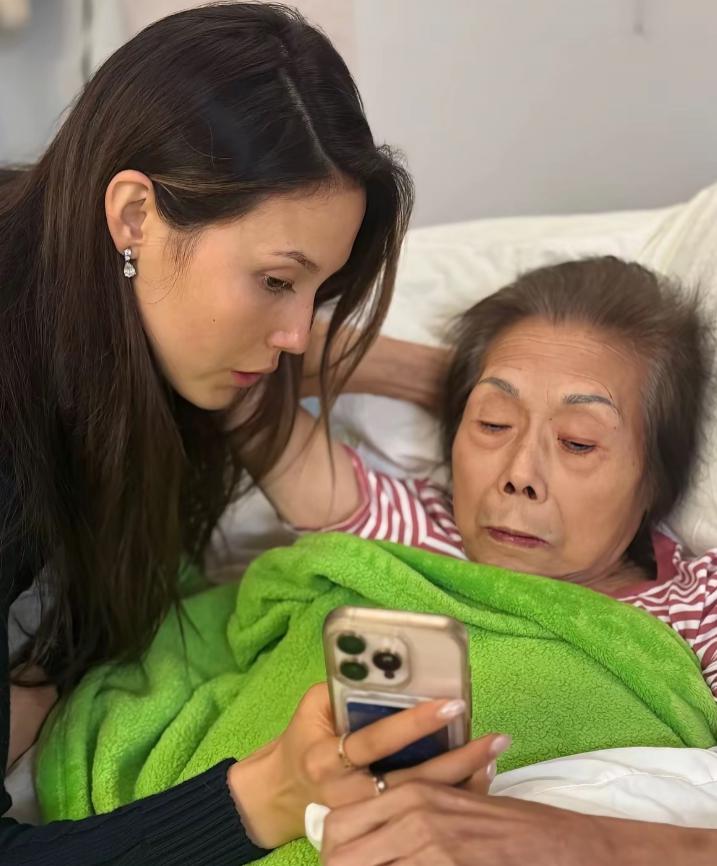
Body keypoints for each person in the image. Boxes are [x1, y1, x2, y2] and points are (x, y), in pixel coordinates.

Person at [0, 4, 501, 863]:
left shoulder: (56, 257)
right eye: (275, 281)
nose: (297, 338)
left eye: (316, 291)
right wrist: (268, 795)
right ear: (133, 217)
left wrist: (449, 380)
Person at [258, 256, 717, 864]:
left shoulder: (699, 605)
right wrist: (438, 378)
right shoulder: (411, 530)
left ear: (656, 480)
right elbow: (244, 379)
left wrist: (559, 839)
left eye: (578, 441)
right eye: (493, 423)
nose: (520, 474)